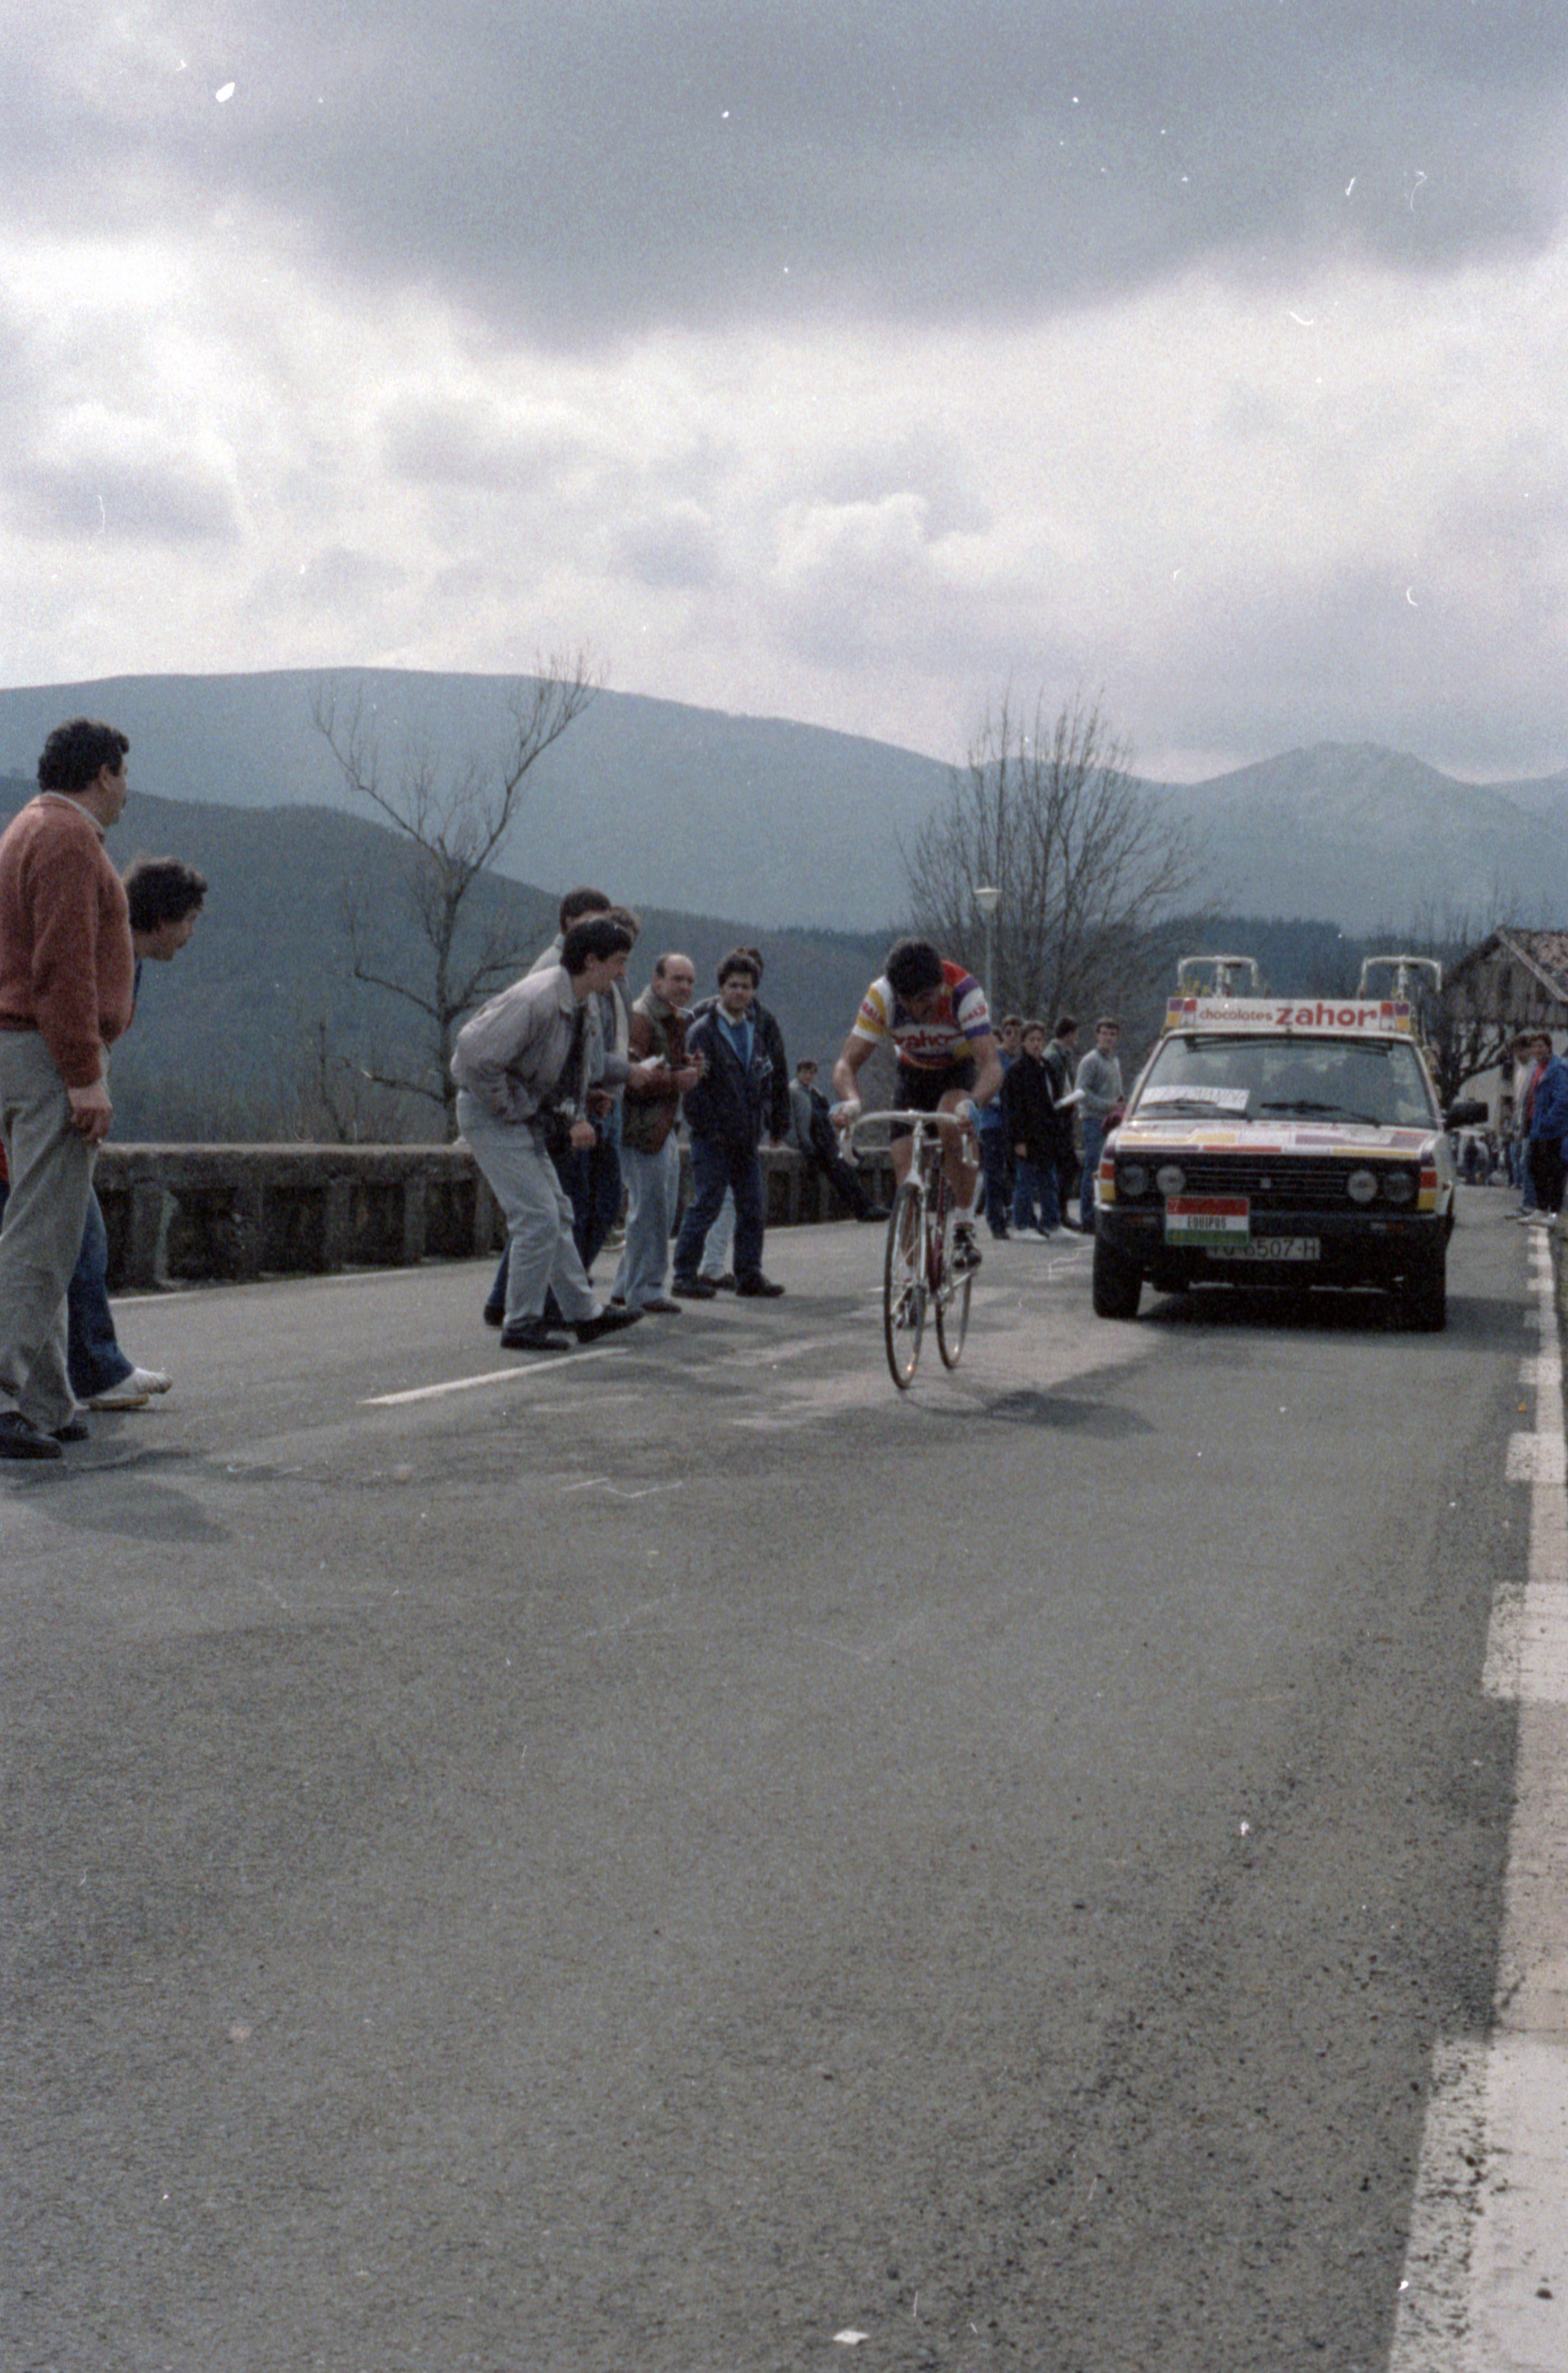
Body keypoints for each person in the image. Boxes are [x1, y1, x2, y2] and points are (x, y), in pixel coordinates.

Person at [0, 718, 137, 1457]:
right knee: (41, 1236)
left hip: (19, 1048)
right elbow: (63, 968)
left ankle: (45, 1401)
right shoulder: (69, 838)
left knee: (44, 1227)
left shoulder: (28, 825)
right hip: (47, 1054)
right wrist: (85, 1075)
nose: (127, 789)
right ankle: (4, 1391)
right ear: (103, 773)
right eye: (123, 774)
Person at [452, 914, 648, 1353]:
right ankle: (521, 1322)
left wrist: (579, 1104)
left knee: (557, 1214)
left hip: (524, 1117)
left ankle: (584, 1314)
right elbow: (473, 1054)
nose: (622, 972)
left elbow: (570, 1068)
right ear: (591, 961)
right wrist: (513, 1107)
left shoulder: (582, 1002)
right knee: (538, 1217)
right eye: (618, 962)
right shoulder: (538, 997)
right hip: (493, 1116)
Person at [70, 856, 209, 1411]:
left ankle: (89, 1369)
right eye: (190, 919)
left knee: (78, 1242)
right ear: (165, 916)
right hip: (44, 1117)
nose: (192, 934)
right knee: (82, 1243)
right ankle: (96, 1373)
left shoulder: (126, 957)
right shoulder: (112, 954)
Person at [830, 937, 1002, 1275]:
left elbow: (992, 1066)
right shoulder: (882, 996)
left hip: (955, 1073)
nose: (915, 1010)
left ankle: (964, 1226)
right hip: (912, 1077)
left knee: (953, 1118)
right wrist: (851, 1102)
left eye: (924, 999)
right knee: (903, 1168)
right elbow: (845, 1065)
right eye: (906, 1000)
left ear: (939, 986)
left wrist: (975, 1104)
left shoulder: (963, 992)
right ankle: (912, 1278)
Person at [672, 949, 785, 1300]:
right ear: (721, 988)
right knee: (706, 1204)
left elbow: (766, 1077)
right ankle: (684, 1275)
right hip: (713, 1138)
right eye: (734, 985)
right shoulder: (703, 1031)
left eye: (746, 987)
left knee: (752, 1208)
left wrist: (766, 1119)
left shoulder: (755, 1030)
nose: (740, 992)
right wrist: (709, 1127)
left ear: (754, 991)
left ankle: (749, 1274)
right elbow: (693, 1088)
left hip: (746, 1138)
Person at [612, 950, 704, 1314]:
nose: (685, 987)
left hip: (662, 1127)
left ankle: (627, 1286)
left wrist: (686, 1067)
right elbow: (630, 1077)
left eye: (690, 981)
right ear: (658, 980)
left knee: (659, 1211)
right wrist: (676, 1080)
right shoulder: (642, 1017)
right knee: (650, 1213)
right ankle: (644, 1290)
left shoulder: (671, 1017)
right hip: (642, 1130)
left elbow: (659, 1065)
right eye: (678, 979)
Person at [788, 1059, 887, 1222]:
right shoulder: (793, 1092)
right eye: (805, 1072)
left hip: (826, 1139)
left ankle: (868, 1207)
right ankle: (864, 1210)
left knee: (848, 1170)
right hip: (815, 1143)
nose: (808, 1076)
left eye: (811, 1073)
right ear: (798, 1073)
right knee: (841, 1173)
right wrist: (801, 1144)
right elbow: (790, 1121)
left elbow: (827, 1115)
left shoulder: (815, 1093)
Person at [1001, 1020, 1061, 1237]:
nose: (1036, 1044)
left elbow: (1052, 1099)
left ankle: (1051, 1222)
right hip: (1027, 1135)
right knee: (1025, 1181)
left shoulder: (1046, 1067)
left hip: (1046, 1133)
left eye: (1039, 1040)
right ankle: (1022, 1223)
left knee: (1049, 1180)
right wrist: (1018, 1140)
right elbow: (1013, 1109)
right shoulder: (1016, 1071)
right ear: (1024, 1043)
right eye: (1032, 1040)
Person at [1074, 1015, 1123, 1233]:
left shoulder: (1114, 1061)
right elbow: (1082, 1093)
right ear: (1097, 1036)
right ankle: (1088, 1218)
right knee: (1093, 1168)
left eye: (1112, 1034)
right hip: (1093, 1120)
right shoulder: (1090, 1061)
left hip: (1112, 1121)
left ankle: (1104, 1217)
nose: (1108, 1038)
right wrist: (1107, 1105)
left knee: (1108, 1169)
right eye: (1104, 1034)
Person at [976, 1015, 1021, 1240]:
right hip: (992, 1123)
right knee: (994, 1174)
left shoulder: (1017, 1061)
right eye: (1008, 1033)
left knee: (1010, 1173)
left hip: (1010, 1124)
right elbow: (989, 1093)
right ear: (1002, 1035)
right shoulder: (995, 1059)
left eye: (1017, 1034)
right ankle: (996, 1222)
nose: (1012, 1038)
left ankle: (1012, 1214)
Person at [1524, 1029, 1568, 1225]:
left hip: (1553, 1132)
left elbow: (1562, 1100)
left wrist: (1548, 1122)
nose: (1537, 1050)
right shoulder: (1536, 1069)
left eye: (1541, 1046)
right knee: (1535, 1167)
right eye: (1534, 1046)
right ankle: (1541, 1209)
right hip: (1536, 1128)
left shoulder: (1558, 1070)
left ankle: (1554, 1213)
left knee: (1553, 1172)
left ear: (1549, 1048)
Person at [1043, 1015, 1081, 1227]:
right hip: (1058, 1119)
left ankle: (1061, 1211)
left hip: (1063, 1118)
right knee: (1065, 1166)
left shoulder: (1063, 1055)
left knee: (1068, 1165)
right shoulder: (1054, 1057)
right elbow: (1055, 1090)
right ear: (1069, 1034)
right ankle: (1059, 1212)